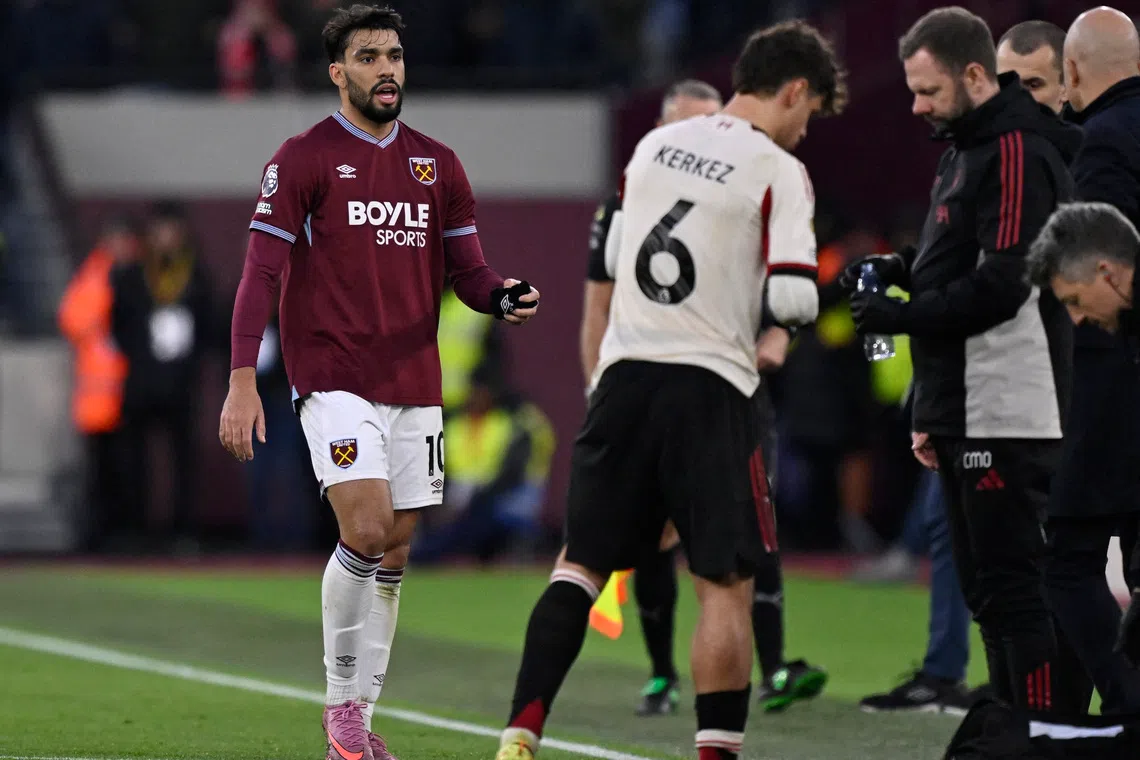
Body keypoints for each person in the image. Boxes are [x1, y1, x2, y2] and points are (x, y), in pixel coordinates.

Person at [496, 20, 844, 760]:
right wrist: (782, 326)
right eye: (810, 112)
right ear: (793, 89)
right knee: (724, 584)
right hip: (712, 388)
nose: (806, 130)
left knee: (579, 565)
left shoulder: (652, 147)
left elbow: (619, 259)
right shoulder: (779, 170)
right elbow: (791, 302)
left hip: (624, 379)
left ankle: (521, 728)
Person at [217, 6, 540, 760]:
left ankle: (361, 715)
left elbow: (469, 270)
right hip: (332, 376)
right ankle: (341, 713)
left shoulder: (438, 164)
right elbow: (260, 272)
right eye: (368, 57)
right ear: (338, 72)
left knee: (394, 552)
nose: (387, 69)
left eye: (394, 55)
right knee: (363, 530)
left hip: (413, 383)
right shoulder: (302, 159)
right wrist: (241, 381)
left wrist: (501, 295)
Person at [846, 6, 1080, 713]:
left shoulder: (1014, 150)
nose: (916, 107)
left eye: (928, 91)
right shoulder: (966, 148)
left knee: (1013, 583)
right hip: (965, 399)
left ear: (975, 75)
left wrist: (902, 316)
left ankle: (1041, 729)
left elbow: (1005, 282)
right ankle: (1019, 723)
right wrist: (900, 267)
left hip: (1005, 400)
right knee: (987, 589)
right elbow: (959, 260)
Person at [583, 78, 826, 717]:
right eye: (688, 125)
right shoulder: (627, 200)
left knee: (749, 529)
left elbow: (781, 289)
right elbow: (595, 309)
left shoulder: (752, 183)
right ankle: (664, 675)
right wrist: (598, 393)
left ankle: (770, 670)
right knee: (654, 538)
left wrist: (775, 339)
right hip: (655, 382)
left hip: (729, 384)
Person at [1042, 6, 1140, 714]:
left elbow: (1101, 272)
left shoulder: (1101, 142)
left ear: (1071, 71)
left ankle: (1129, 706)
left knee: (1068, 557)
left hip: (1112, 379)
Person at [112, 200, 218, 551]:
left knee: (184, 461)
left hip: (181, 384)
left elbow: (210, 329)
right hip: (140, 382)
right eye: (160, 230)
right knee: (135, 460)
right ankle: (137, 531)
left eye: (172, 230)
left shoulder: (197, 276)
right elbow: (118, 326)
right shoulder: (131, 276)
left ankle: (183, 533)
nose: (166, 238)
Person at [58, 215, 138, 552]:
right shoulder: (97, 278)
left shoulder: (128, 275)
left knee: (124, 469)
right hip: (101, 394)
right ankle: (99, 536)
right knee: (101, 472)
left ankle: (119, 533)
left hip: (124, 391)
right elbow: (74, 321)